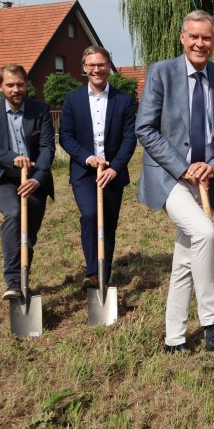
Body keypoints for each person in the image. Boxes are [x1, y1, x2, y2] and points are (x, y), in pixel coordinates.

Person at [136, 10, 214, 353]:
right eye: (193, 37)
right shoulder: (161, 73)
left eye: (206, 38)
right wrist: (183, 168)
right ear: (182, 37)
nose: (200, 43)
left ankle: (174, 337)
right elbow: (145, 129)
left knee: (185, 256)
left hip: (205, 180)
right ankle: (211, 323)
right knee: (206, 233)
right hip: (170, 178)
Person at [59, 46, 136, 289]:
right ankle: (92, 272)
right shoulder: (72, 100)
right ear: (84, 68)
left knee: (109, 222)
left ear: (108, 67)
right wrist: (86, 157)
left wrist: (117, 167)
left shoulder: (123, 100)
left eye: (101, 64)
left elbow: (129, 138)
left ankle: (104, 272)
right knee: (91, 215)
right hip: (84, 173)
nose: (97, 69)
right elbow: (66, 137)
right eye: (91, 65)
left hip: (113, 173)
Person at [0, 64, 55, 300]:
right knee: (13, 214)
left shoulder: (40, 110)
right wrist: (12, 158)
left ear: (26, 85)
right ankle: (13, 282)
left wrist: (38, 179)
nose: (16, 89)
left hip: (35, 180)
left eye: (20, 84)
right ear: (0, 87)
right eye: (10, 85)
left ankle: (23, 277)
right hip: (4, 179)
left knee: (28, 237)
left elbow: (47, 147)